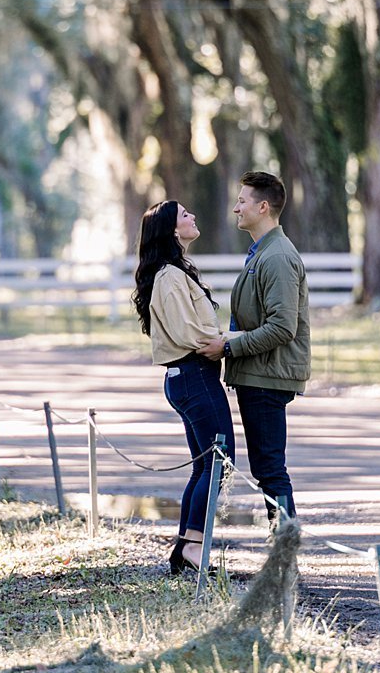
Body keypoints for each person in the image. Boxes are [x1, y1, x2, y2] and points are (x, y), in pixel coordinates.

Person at [201, 170, 310, 539]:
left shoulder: (277, 256)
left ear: (263, 207)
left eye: (242, 201)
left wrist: (229, 346)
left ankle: (285, 551)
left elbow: (282, 327)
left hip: (267, 376)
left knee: (270, 468)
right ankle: (283, 547)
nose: (235, 208)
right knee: (268, 466)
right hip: (257, 373)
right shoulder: (262, 252)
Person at [133, 200, 232, 576]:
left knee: (206, 465)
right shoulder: (169, 277)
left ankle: (185, 547)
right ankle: (193, 545)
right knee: (221, 462)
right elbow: (187, 333)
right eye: (185, 214)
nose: (193, 217)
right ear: (173, 230)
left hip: (191, 377)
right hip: (193, 375)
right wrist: (225, 341)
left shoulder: (174, 272)